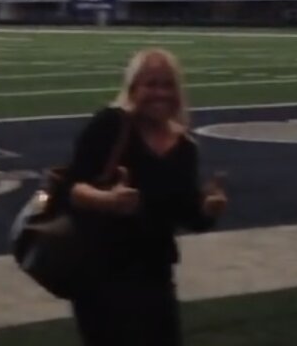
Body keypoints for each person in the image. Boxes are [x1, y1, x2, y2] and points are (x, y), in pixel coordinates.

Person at [64, 48, 228, 346]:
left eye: (167, 85)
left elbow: (186, 215)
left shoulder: (184, 147)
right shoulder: (110, 125)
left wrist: (208, 210)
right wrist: (107, 201)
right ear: (133, 88)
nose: (160, 93)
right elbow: (71, 188)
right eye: (150, 84)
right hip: (102, 273)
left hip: (155, 272)